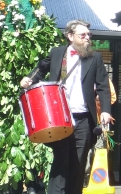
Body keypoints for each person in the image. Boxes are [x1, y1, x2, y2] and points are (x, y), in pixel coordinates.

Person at [20, 19, 112, 194]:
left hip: (84, 119)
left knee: (78, 163)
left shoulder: (95, 57)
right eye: (82, 35)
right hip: (60, 118)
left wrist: (106, 110)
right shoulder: (57, 53)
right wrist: (29, 79)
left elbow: (103, 86)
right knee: (61, 161)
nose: (87, 38)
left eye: (89, 35)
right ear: (70, 36)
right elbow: (41, 69)